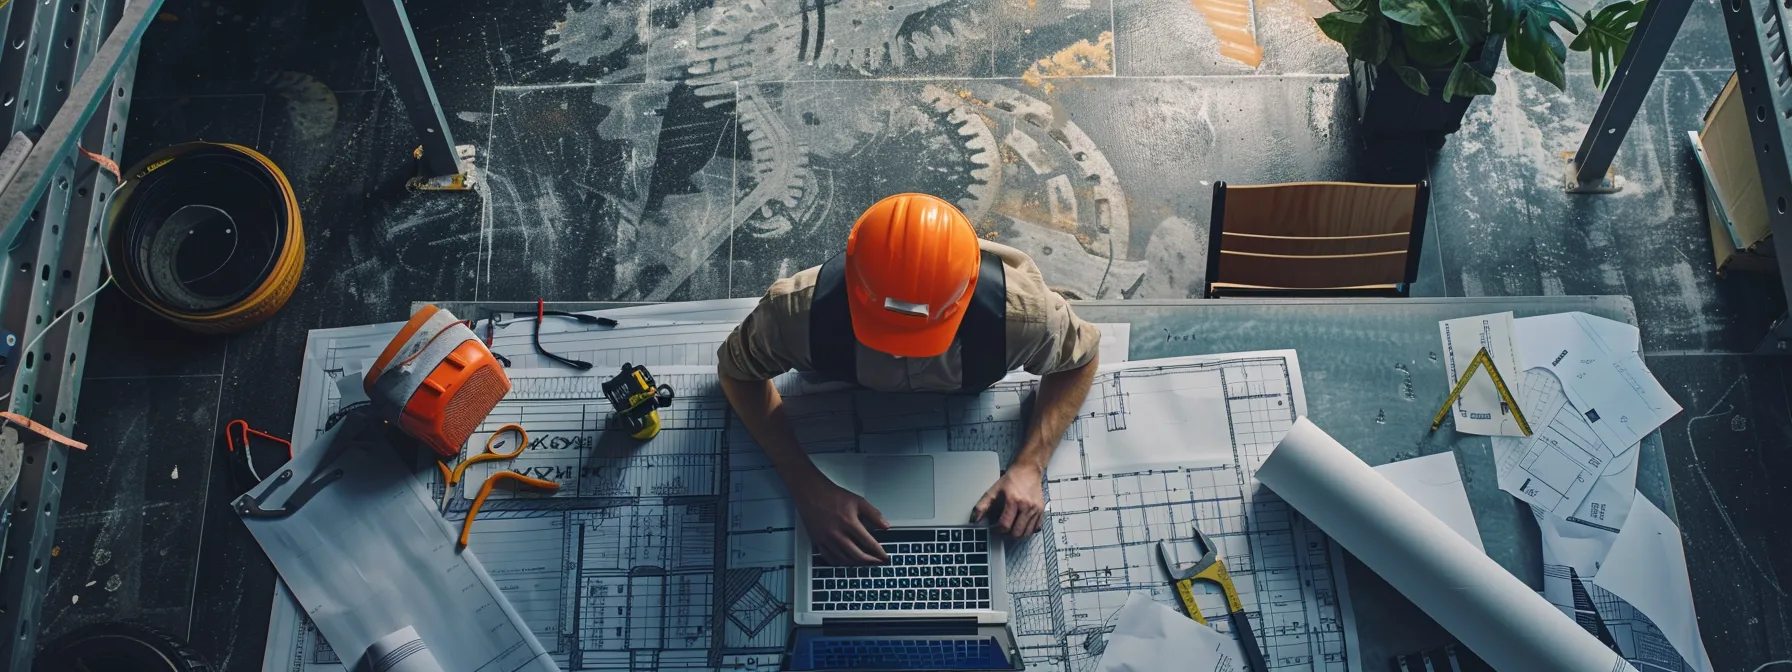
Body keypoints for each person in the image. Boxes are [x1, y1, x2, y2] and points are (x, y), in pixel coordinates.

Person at [716, 192, 1100, 566]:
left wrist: (1031, 465)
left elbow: (1081, 359)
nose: (902, 351)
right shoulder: (794, 314)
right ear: (852, 274)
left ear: (965, 292)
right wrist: (805, 486)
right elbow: (737, 373)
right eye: (884, 333)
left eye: (921, 336)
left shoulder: (1026, 316)